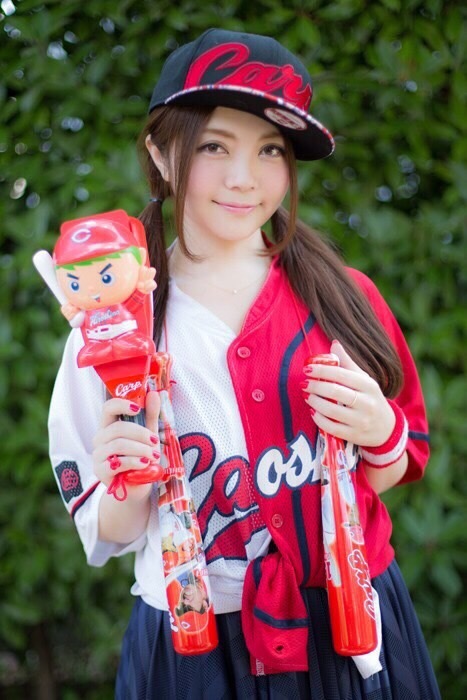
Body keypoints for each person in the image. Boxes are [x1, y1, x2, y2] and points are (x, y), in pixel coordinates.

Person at [48, 28, 441, 699]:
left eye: (270, 150)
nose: (243, 178)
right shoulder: (113, 327)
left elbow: (396, 465)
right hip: (194, 644)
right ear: (160, 153)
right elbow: (109, 533)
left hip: (354, 625)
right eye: (213, 146)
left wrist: (380, 430)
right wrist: (125, 476)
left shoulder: (343, 296)